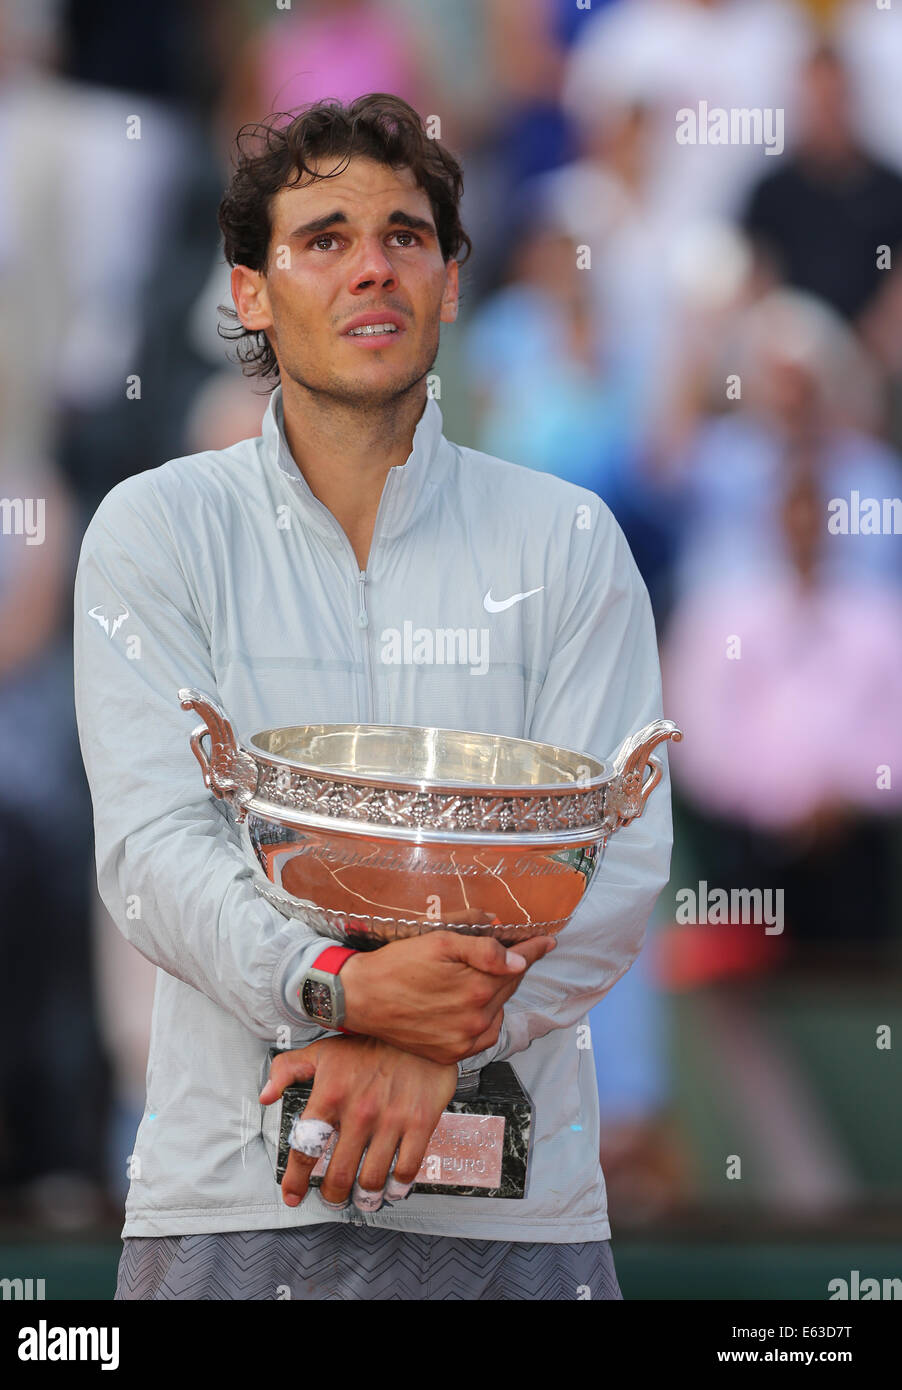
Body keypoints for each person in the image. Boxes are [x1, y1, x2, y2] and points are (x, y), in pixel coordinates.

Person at [73, 93, 673, 1301]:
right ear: (250, 291)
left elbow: (622, 860)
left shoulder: (567, 539)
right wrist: (338, 993)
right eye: (324, 238)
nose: (372, 268)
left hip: (524, 1223)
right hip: (227, 1203)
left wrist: (432, 1043)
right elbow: (152, 853)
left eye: (406, 236)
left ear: (451, 282)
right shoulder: (156, 528)